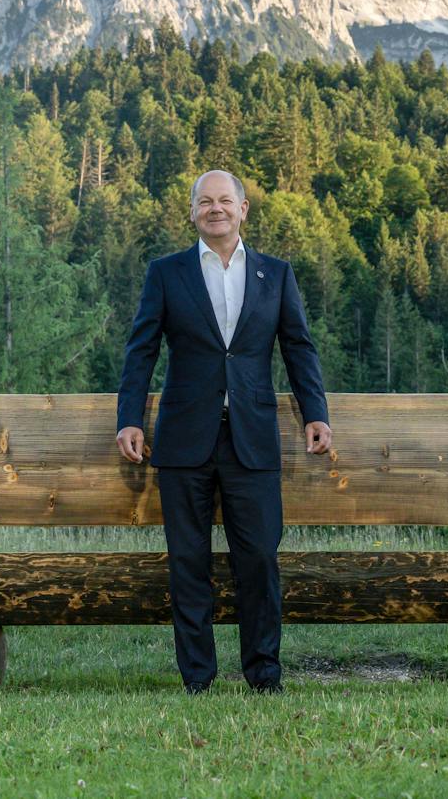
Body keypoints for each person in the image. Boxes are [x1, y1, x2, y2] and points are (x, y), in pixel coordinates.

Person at [115, 169, 332, 694]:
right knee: (188, 563)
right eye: (205, 202)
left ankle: (264, 675)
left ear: (243, 209)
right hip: (184, 437)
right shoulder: (167, 273)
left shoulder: (276, 274)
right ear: (192, 212)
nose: (216, 209)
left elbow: (298, 347)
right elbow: (141, 348)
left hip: (253, 437)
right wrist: (129, 418)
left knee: (258, 558)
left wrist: (316, 413)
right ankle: (198, 679)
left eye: (225, 201)